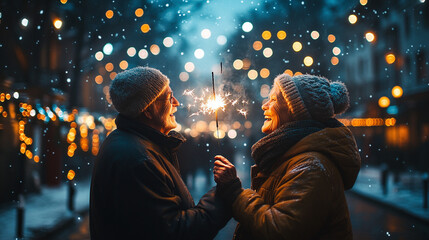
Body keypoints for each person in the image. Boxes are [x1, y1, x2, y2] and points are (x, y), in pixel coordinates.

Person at [214, 74, 361, 240]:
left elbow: (280, 231)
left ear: (295, 112)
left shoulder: (310, 167)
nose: (265, 105)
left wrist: (236, 194)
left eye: (274, 100)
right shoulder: (292, 157)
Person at [90, 66, 230, 240]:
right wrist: (222, 197)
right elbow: (174, 232)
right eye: (169, 97)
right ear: (148, 110)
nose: (176, 103)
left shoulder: (137, 146)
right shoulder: (138, 160)